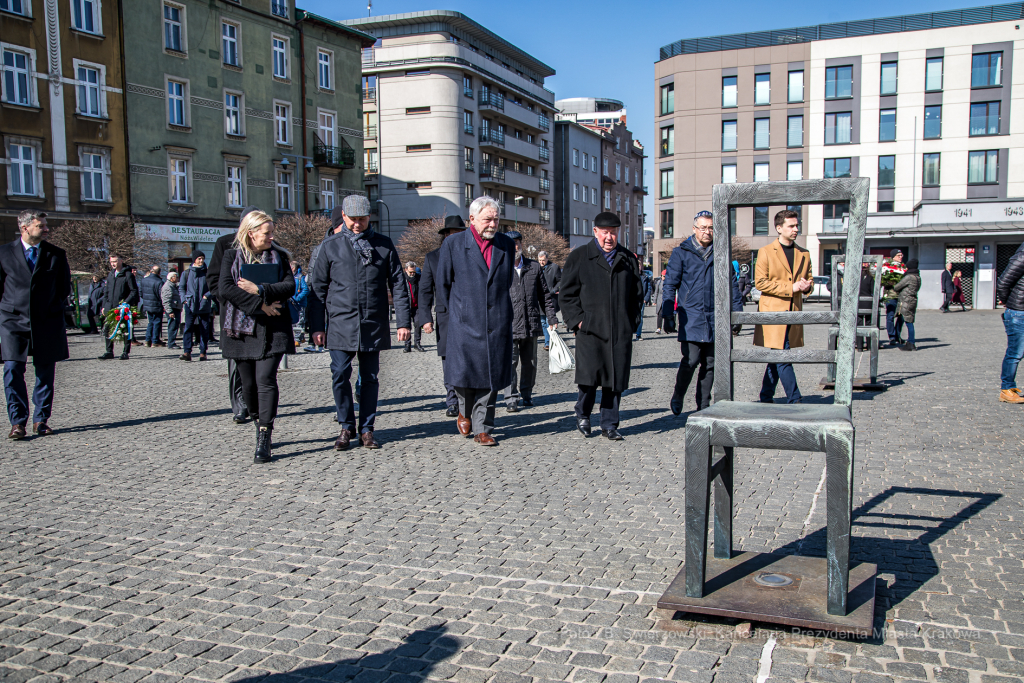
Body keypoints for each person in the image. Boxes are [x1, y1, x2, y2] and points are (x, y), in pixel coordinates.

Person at [310, 195, 410, 450]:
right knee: (340, 374)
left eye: (362, 220)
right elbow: (317, 290)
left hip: (372, 322)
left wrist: (403, 322)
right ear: (343, 216)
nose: (357, 224)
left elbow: (398, 284)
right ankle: (346, 426)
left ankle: (367, 429)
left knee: (370, 378)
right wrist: (317, 326)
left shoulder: (383, 245)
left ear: (370, 218)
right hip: (340, 322)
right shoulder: (330, 246)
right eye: (353, 219)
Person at [437, 196, 515, 446]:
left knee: (490, 378)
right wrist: (455, 315)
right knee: (464, 374)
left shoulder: (506, 245)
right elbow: (444, 284)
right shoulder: (453, 244)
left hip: (496, 321)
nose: (493, 224)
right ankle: (463, 410)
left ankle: (483, 428)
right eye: (487, 219)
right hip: (464, 321)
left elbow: (506, 283)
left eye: (496, 219)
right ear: (472, 219)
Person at [218, 210, 296, 462]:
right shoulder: (231, 255)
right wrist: (260, 304)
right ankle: (256, 418)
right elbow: (225, 288)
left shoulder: (279, 256)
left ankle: (264, 434)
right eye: (267, 233)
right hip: (240, 332)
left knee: (266, 379)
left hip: (274, 329)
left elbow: (289, 286)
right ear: (251, 233)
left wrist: (260, 288)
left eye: (273, 232)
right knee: (248, 385)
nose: (272, 237)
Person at [559, 211, 644, 440]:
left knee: (614, 380)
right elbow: (566, 295)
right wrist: (578, 321)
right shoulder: (579, 257)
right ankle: (583, 415)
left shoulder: (627, 259)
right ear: (595, 232)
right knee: (589, 379)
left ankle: (609, 424)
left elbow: (637, 295)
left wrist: (631, 322)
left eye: (614, 233)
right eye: (605, 232)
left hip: (619, 330)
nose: (609, 237)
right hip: (590, 329)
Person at [662, 210, 743, 416]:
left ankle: (703, 406)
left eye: (711, 228)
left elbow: (732, 284)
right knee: (690, 360)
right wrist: (668, 314)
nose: (707, 232)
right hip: (692, 315)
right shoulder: (681, 252)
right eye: (703, 227)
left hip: (717, 316)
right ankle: (678, 394)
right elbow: (670, 284)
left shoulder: (722, 252)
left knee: (710, 363)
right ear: (694, 229)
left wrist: (737, 312)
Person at [0, 209, 71, 439]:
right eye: (41, 226)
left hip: (46, 321)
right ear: (25, 228)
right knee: (12, 369)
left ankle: (41, 419)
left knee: (44, 372)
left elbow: (63, 288)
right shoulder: (4, 253)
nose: (46, 229)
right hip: (13, 320)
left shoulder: (56, 254)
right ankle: (17, 422)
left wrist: (51, 308)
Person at [754, 209, 813, 404]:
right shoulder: (765, 252)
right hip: (772, 313)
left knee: (777, 355)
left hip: (794, 312)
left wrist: (807, 287)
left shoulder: (804, 253)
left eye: (797, 225)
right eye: (792, 226)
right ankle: (795, 398)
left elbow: (809, 280)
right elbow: (760, 283)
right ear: (779, 228)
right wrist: (791, 287)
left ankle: (766, 395)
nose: (796, 229)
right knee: (782, 354)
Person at [208, 207, 260, 424]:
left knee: (259, 366)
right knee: (236, 364)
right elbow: (214, 281)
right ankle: (240, 406)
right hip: (234, 314)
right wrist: (229, 301)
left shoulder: (266, 246)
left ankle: (258, 406)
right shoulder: (225, 243)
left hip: (260, 312)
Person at [502, 230, 557, 413]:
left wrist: (551, 317)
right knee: (510, 363)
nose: (515, 246)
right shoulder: (501, 266)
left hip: (531, 322)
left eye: (517, 242)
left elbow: (545, 296)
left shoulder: (534, 267)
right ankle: (511, 397)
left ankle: (526, 394)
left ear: (521, 244)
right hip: (509, 325)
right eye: (511, 243)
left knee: (531, 362)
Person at [417, 215, 466, 417]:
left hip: (468, 315)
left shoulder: (471, 254)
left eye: (460, 233)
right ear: (445, 235)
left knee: (468, 358)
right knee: (448, 360)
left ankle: (467, 399)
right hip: (445, 316)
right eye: (452, 233)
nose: (456, 237)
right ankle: (452, 400)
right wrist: (425, 318)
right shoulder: (432, 257)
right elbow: (425, 290)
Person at [98, 253, 140, 360]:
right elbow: (106, 292)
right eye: (111, 262)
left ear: (121, 261)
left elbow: (134, 291)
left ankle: (125, 352)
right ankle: (109, 351)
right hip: (110, 307)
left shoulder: (128, 275)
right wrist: (104, 306)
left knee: (125, 330)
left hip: (122, 308)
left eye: (115, 261)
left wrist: (125, 303)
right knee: (107, 329)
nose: (113, 264)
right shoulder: (111, 275)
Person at [997, 243, 1024, 403]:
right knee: (1016, 352)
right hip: (1018, 311)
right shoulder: (1022, 254)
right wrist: (1009, 304)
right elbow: (1003, 282)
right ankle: (1006, 389)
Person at [179, 251, 212, 361]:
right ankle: (187, 352)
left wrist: (207, 296)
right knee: (188, 328)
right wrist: (184, 300)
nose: (201, 260)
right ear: (194, 260)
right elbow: (182, 288)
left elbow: (213, 287)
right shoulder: (186, 273)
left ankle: (203, 352)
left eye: (202, 258)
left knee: (204, 329)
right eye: (199, 258)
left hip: (204, 305)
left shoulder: (207, 273)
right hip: (190, 304)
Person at [893, 259, 921, 352]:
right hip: (913, 300)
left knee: (908, 322)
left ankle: (911, 343)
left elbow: (897, 287)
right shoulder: (918, 277)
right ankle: (897, 336)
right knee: (904, 319)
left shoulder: (909, 277)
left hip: (906, 301)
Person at [537, 250, 561, 350]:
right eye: (539, 260)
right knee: (543, 322)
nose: (541, 262)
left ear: (547, 259)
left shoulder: (554, 267)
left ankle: (550, 342)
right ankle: (548, 342)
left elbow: (560, 280)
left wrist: (554, 290)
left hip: (551, 298)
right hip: (540, 299)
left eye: (543, 260)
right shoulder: (537, 267)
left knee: (549, 321)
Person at [140, 265, 165, 347]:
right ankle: (155, 340)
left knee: (150, 322)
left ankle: (147, 340)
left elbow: (140, 293)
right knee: (157, 322)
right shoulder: (159, 282)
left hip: (147, 304)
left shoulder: (143, 280)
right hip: (157, 304)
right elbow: (161, 294)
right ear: (159, 272)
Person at [882, 249, 903, 345]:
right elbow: (883, 281)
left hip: (901, 296)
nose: (901, 257)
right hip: (891, 295)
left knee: (901, 317)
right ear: (893, 256)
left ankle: (898, 335)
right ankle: (892, 337)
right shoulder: (887, 267)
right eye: (898, 255)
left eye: (901, 255)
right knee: (890, 316)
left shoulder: (903, 267)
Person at [403, 262, 424, 353]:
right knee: (407, 326)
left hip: (417, 306)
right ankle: (407, 345)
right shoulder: (403, 280)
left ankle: (417, 343)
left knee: (418, 324)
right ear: (406, 270)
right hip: (406, 306)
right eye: (410, 272)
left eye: (414, 272)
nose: (412, 274)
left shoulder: (419, 279)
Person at [162, 271, 182, 349]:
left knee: (175, 325)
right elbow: (166, 300)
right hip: (172, 309)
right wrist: (170, 311)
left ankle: (172, 342)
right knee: (172, 326)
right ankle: (171, 343)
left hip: (176, 307)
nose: (177, 278)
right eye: (176, 277)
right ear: (171, 278)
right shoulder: (167, 286)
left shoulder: (173, 286)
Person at [289, 261, 309, 329]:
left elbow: (306, 290)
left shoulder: (300, 277)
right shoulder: (292, 277)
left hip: (299, 304)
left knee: (299, 323)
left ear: (293, 268)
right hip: (293, 304)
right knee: (294, 323)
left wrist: (297, 298)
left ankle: (299, 339)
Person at [636, 269, 653, 341]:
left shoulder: (645, 277)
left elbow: (649, 288)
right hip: (633, 300)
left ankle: (638, 334)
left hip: (642, 300)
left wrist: (646, 298)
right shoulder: (631, 274)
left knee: (640, 317)